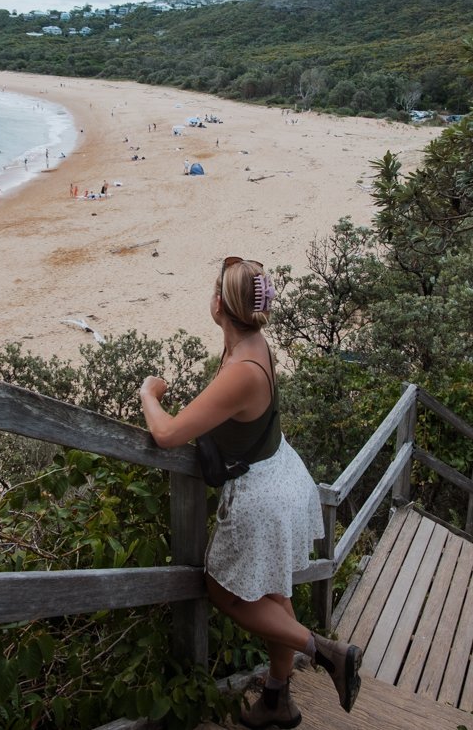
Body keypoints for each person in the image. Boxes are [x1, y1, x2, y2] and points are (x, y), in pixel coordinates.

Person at [140, 257, 362, 727]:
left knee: (223, 591)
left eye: (215, 289)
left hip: (263, 493)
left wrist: (149, 395)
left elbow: (168, 435)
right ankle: (277, 701)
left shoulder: (242, 367)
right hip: (282, 473)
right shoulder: (252, 343)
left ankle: (323, 651)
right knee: (273, 593)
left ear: (220, 304)